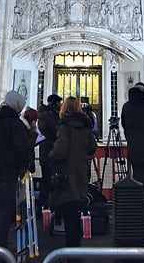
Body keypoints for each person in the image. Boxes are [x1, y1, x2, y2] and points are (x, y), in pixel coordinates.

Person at [0, 90, 37, 250]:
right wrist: (32, 136)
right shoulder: (15, 125)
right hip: (7, 174)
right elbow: (22, 148)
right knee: (3, 212)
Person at [49, 96, 97, 248]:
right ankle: (76, 251)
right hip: (80, 174)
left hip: (65, 176)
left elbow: (60, 151)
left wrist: (51, 155)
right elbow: (92, 148)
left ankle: (70, 252)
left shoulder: (65, 127)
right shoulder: (86, 127)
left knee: (68, 217)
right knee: (75, 216)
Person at [37, 94, 63, 212]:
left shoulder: (43, 115)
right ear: (54, 103)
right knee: (51, 180)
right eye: (59, 103)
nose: (61, 105)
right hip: (51, 151)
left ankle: (45, 206)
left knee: (46, 178)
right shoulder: (50, 117)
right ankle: (50, 206)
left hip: (45, 152)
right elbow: (56, 132)